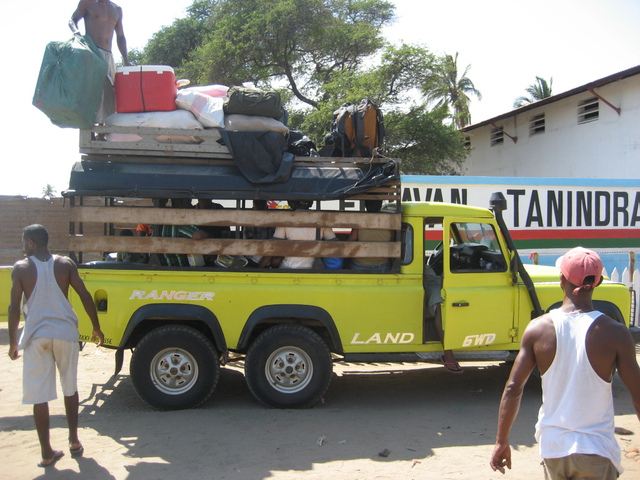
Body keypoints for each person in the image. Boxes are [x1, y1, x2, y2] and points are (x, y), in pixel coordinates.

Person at [490, 247, 640, 479]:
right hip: (596, 451)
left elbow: (513, 388)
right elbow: (637, 393)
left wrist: (501, 441)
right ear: (597, 283)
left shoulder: (538, 329)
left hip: (554, 449)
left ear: (562, 279)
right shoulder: (616, 333)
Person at [8, 225, 105, 468]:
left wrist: (12, 343)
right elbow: (84, 295)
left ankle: (47, 452)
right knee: (70, 388)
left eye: (24, 242)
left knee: (39, 396)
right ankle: (74, 440)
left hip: (37, 337)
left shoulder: (21, 268)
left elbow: (13, 308)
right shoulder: (65, 264)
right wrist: (96, 327)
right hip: (65, 334)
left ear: (31, 243)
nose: (23, 246)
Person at [69, 0, 131, 123]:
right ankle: (89, 127)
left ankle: (103, 130)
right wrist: (77, 33)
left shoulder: (116, 9)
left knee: (110, 93)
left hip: (109, 54)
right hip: (92, 51)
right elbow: (72, 20)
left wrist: (126, 60)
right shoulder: (88, 3)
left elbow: (120, 36)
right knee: (91, 90)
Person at [259, 200, 336, 269]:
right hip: (312, 268)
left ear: (291, 204)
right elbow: (334, 243)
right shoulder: (321, 219)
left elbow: (275, 246)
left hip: (288, 268)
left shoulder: (285, 219)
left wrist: (259, 268)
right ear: (311, 203)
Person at [348, 200, 392, 271]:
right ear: (380, 206)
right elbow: (392, 239)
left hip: (359, 265)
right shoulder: (389, 222)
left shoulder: (360, 221)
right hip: (382, 266)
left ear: (366, 205)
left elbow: (351, 240)